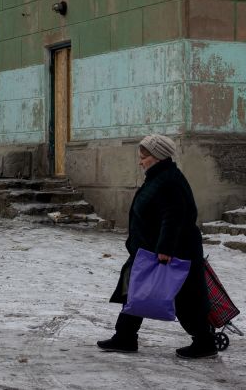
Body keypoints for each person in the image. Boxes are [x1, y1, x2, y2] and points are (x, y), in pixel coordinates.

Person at [96, 134, 218, 359]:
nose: (140, 161)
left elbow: (173, 217)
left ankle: (205, 342)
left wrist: (165, 250)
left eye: (144, 156)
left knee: (186, 298)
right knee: (136, 291)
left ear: (158, 157)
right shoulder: (158, 177)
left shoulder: (169, 181)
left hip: (174, 251)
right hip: (149, 249)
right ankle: (125, 336)